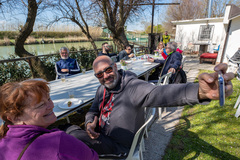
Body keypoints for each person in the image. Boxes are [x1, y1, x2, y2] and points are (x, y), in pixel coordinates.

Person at [63, 55, 234, 156]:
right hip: (101, 134)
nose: (105, 76)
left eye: (108, 70)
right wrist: (89, 122)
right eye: (100, 74)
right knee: (67, 129)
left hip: (119, 146)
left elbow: (161, 94)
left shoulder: (133, 87)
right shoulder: (102, 89)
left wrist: (199, 92)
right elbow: (92, 110)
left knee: (70, 139)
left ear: (115, 67)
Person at [0, 80, 98, 160]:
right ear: (15, 118)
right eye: (41, 105)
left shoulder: (3, 143)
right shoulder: (58, 141)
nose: (51, 106)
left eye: (48, 99)